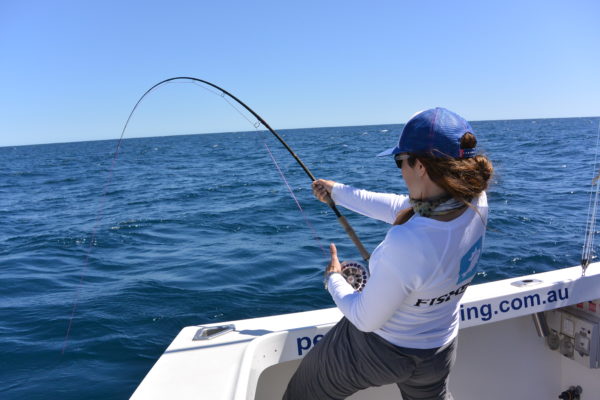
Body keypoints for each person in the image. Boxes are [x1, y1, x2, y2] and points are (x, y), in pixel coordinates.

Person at [283, 107, 493, 400]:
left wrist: (334, 279)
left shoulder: (409, 241)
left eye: (400, 161)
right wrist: (338, 192)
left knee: (302, 394)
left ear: (420, 165)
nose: (401, 170)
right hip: (439, 350)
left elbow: (365, 319)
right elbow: (404, 207)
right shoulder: (476, 201)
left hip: (378, 351)